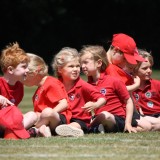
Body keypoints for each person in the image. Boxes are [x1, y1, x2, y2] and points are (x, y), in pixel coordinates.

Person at [80, 45, 138, 133]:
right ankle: (96, 129)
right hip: (100, 119)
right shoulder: (87, 85)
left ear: (99, 63)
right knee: (100, 117)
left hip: (117, 119)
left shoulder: (113, 81)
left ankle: (88, 129)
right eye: (81, 63)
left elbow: (128, 101)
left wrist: (128, 123)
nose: (82, 66)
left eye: (86, 62)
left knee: (106, 115)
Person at [52, 47, 107, 137]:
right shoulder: (55, 84)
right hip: (63, 118)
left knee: (74, 125)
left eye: (77, 66)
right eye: (71, 66)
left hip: (79, 120)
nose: (76, 69)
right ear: (59, 69)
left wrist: (95, 105)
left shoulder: (83, 85)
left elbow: (102, 98)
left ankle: (74, 130)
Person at [23, 53, 72, 137]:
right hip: (46, 120)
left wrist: (44, 115)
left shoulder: (51, 83)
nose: (22, 78)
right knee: (26, 115)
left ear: (35, 71)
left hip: (59, 119)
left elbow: (64, 104)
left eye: (24, 75)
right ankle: (42, 129)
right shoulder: (38, 90)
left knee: (47, 112)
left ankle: (33, 130)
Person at [0, 42, 33, 139]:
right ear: (10, 70)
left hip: (7, 123)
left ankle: (11, 132)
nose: (27, 70)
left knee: (32, 115)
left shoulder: (19, 87)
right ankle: (17, 131)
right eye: (23, 67)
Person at [132, 49, 160, 131]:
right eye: (145, 68)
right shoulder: (130, 86)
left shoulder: (157, 84)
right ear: (134, 69)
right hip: (142, 117)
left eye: (150, 67)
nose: (149, 71)